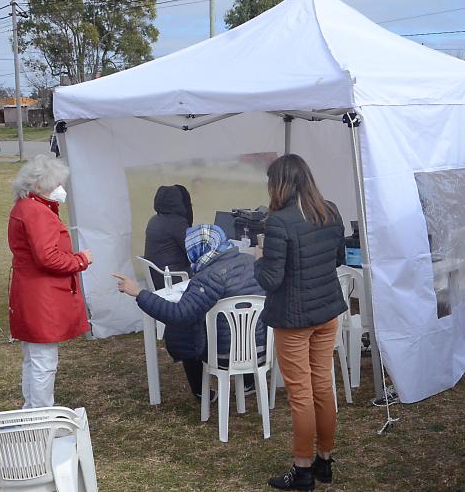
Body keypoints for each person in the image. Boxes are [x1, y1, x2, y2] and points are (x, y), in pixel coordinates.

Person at [255, 154, 346, 491]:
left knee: (302, 395)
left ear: (279, 184)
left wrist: (258, 260)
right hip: (326, 313)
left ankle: (303, 469)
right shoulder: (330, 210)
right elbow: (337, 258)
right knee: (322, 386)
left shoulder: (278, 222)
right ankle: (324, 461)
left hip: (294, 318)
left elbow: (270, 279)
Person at [112, 224, 266, 401]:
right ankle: (248, 382)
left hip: (225, 356)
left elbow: (179, 315)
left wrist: (139, 292)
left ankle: (202, 391)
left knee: (184, 330)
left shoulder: (209, 276)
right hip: (260, 349)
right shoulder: (250, 261)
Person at [8, 155, 93, 409]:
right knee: (44, 362)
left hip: (29, 292)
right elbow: (49, 258)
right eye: (55, 184)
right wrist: (80, 260)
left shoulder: (24, 207)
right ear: (39, 186)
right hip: (41, 296)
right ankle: (42, 416)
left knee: (33, 360)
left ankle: (32, 411)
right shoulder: (37, 212)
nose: (60, 189)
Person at [144, 185, 194, 290]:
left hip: (159, 278)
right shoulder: (176, 223)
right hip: (174, 279)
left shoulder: (154, 220)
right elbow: (193, 252)